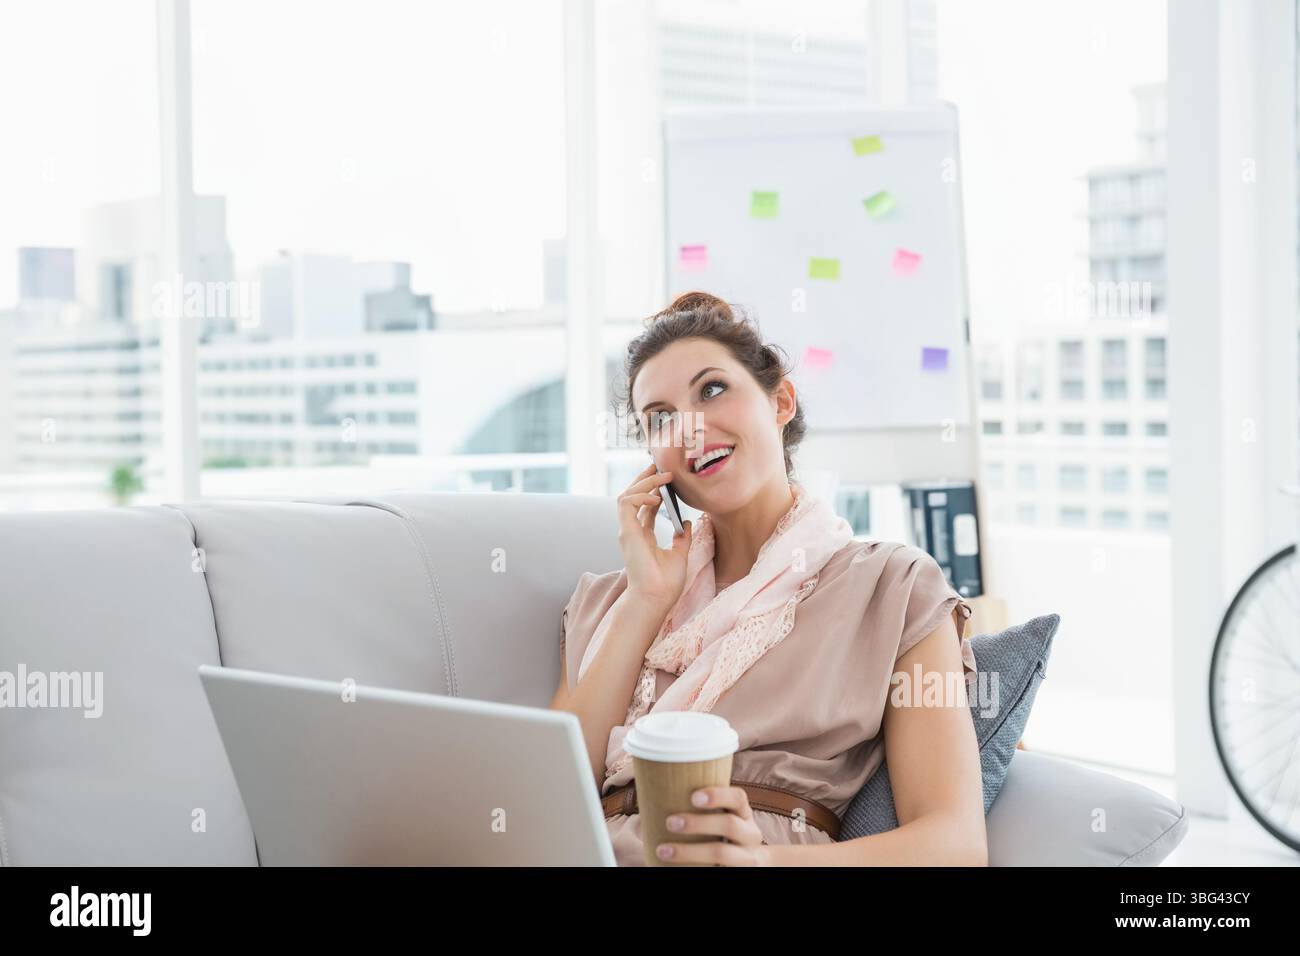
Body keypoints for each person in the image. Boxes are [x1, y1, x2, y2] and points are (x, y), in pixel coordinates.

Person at [549, 291, 985, 866]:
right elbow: (542, 797)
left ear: (781, 401)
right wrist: (646, 601)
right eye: (660, 418)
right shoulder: (610, 601)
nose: (691, 428)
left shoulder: (893, 587)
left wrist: (764, 865)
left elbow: (953, 846)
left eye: (711, 389)